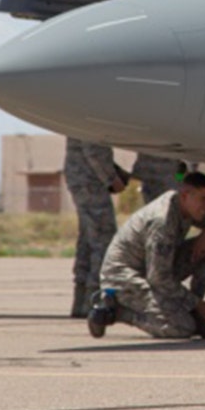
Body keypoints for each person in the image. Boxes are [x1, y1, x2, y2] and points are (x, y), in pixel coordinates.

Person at [88, 171, 205, 340]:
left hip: (154, 269)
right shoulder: (162, 221)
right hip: (124, 278)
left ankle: (196, 317)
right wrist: (197, 304)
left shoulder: (186, 205)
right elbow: (159, 279)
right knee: (181, 328)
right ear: (186, 195)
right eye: (204, 199)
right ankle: (115, 312)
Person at [64, 137, 128, 319]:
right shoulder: (92, 113)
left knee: (87, 240)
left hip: (80, 176)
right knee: (103, 240)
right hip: (91, 180)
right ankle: (95, 301)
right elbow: (93, 148)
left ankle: (81, 301)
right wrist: (111, 178)